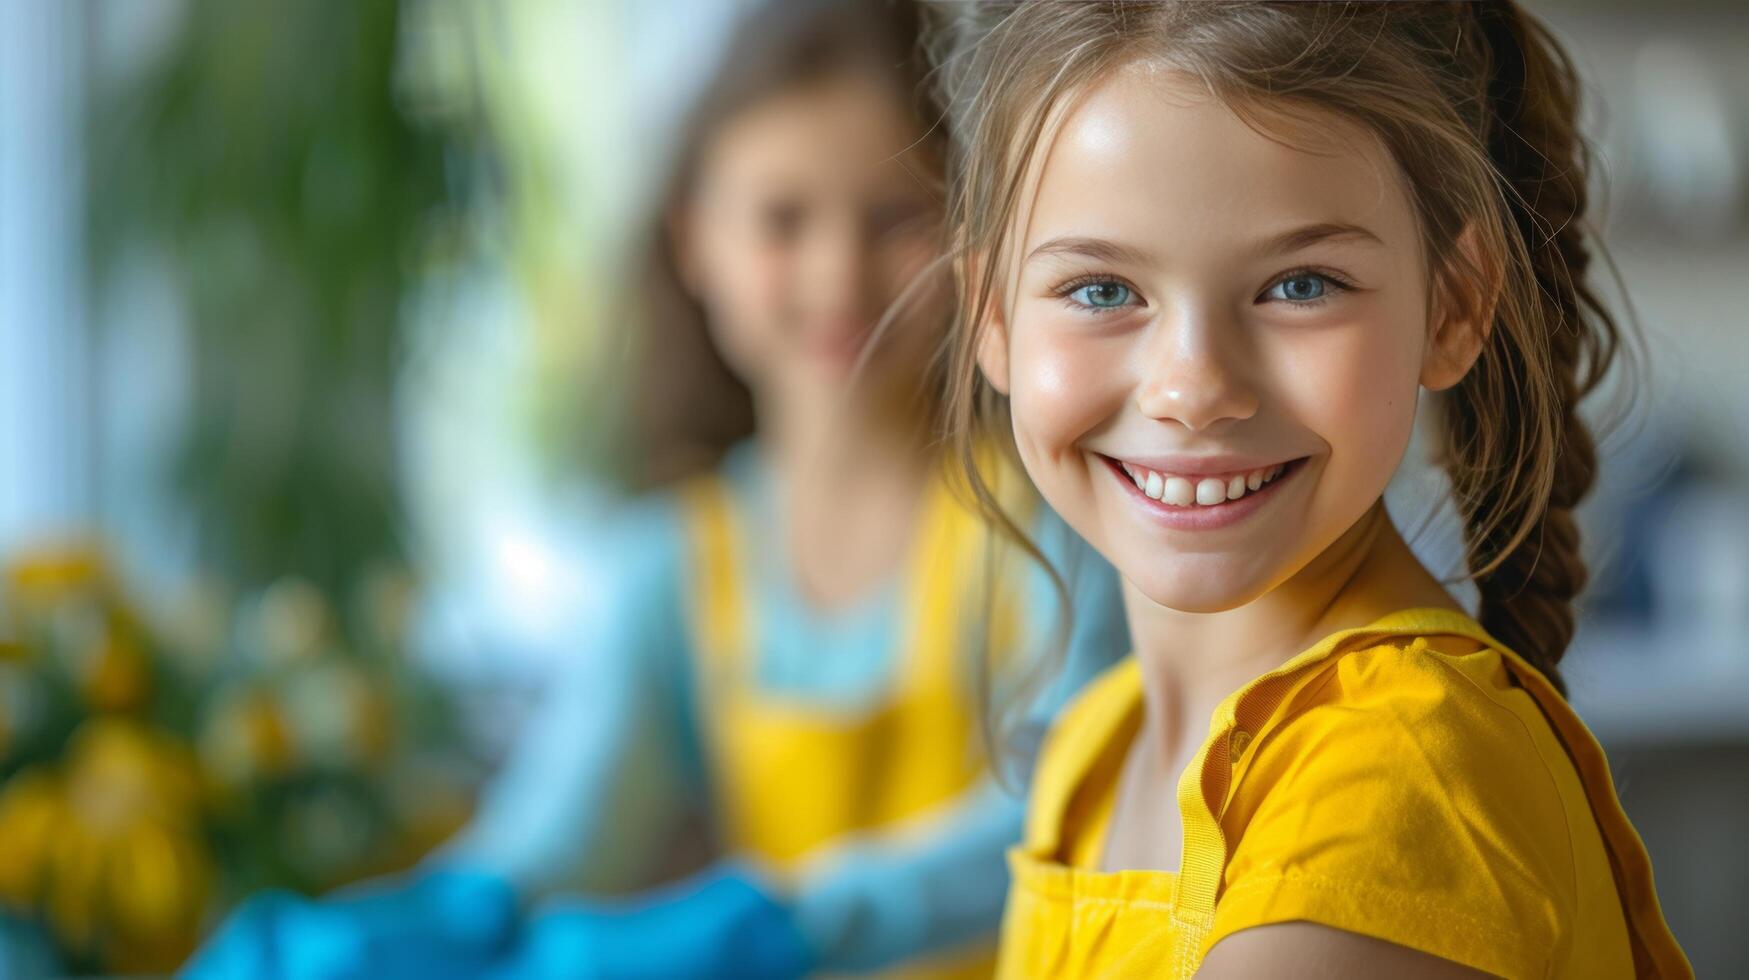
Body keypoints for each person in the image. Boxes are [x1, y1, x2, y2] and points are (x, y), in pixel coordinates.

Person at [181, 1, 1126, 978]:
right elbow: (564, 828)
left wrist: (793, 921)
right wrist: (458, 905)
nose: (839, 272)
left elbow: (1060, 812)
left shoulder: (1047, 526)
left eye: (895, 217)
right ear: (694, 239)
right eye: (782, 219)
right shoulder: (674, 566)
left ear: (976, 245)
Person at [925, 2, 1694, 977]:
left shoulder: (1397, 775)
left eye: (1300, 284)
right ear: (992, 315)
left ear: (1454, 304)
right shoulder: (1095, 745)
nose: (1193, 388)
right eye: (1103, 290)